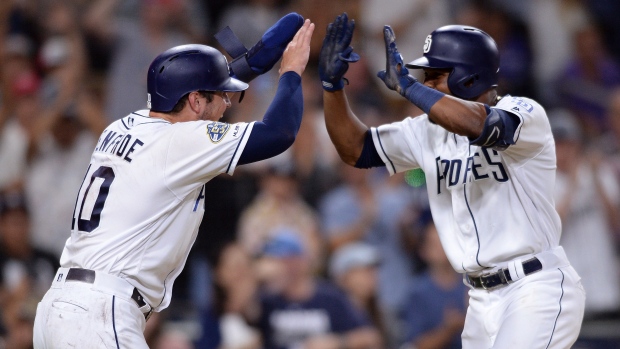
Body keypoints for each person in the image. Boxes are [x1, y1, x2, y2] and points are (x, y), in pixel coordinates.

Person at [32, 15, 315, 348]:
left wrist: (255, 61)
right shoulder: (182, 143)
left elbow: (193, 93)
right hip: (101, 312)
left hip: (59, 307)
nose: (227, 104)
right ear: (195, 101)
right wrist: (292, 71)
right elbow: (279, 134)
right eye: (220, 96)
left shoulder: (126, 124)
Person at [319, 13, 585, 348]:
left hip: (534, 286)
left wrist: (410, 88)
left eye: (435, 75)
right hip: (479, 299)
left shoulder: (525, 113)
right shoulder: (426, 131)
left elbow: (483, 126)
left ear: (469, 78)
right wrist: (332, 89)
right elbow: (355, 149)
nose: (425, 83)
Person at [256, 232, 382, 349]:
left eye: (288, 260)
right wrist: (257, 279)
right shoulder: (265, 301)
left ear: (302, 260)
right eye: (272, 261)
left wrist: (337, 341)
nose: (280, 267)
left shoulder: (330, 298)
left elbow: (370, 337)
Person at [403, 214, 467, 349]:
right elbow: (416, 345)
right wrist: (448, 329)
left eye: (445, 242)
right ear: (423, 251)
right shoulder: (417, 292)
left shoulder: (474, 282)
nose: (442, 248)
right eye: (434, 244)